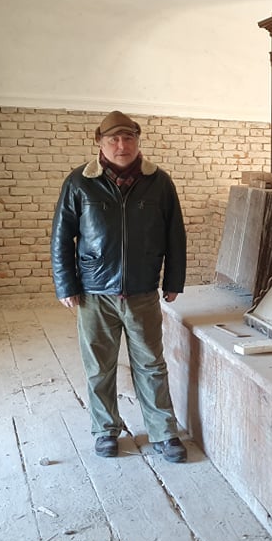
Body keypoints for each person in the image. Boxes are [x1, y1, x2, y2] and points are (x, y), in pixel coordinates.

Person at [50, 110, 188, 462]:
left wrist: (173, 280)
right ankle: (105, 430)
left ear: (138, 141)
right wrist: (65, 284)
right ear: (100, 142)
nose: (122, 145)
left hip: (142, 291)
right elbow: (62, 237)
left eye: (128, 138)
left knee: (151, 364)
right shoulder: (79, 183)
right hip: (94, 293)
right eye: (114, 139)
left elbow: (175, 234)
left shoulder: (159, 183)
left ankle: (163, 432)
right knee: (99, 366)